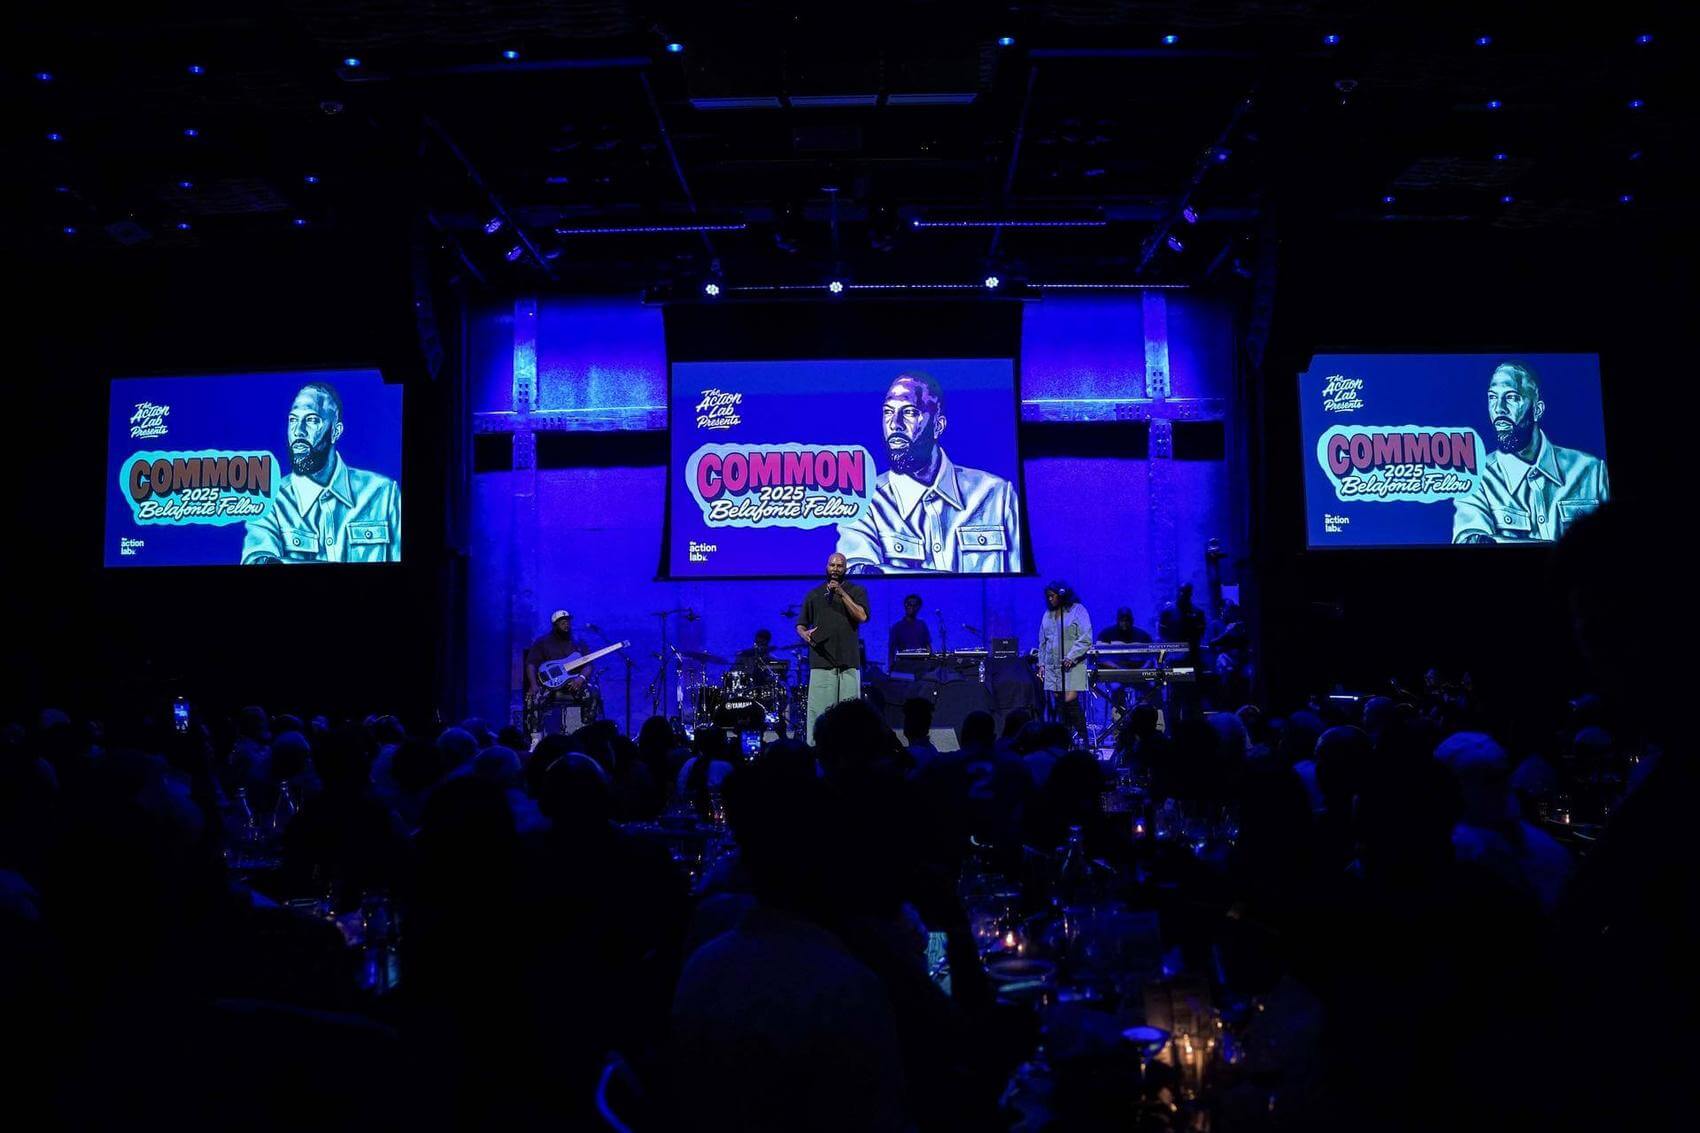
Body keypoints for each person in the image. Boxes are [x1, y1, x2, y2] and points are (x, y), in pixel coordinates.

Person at [836, 370, 1021, 574]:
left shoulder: (997, 495)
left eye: (909, 412)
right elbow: (858, 577)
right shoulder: (864, 503)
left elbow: (1018, 583)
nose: (894, 424)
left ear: (938, 426)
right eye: (888, 411)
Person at [241, 380, 402, 563]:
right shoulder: (270, 502)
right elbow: (256, 562)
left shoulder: (384, 494)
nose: (298, 431)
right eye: (293, 419)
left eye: (311, 420)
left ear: (335, 431)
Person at [1453, 360, 1609, 544]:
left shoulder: (1592, 471)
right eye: (1492, 397)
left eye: (1511, 397)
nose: (1499, 409)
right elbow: (1470, 543)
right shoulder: (1475, 478)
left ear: (1537, 410)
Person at [798, 552, 870, 744]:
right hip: (821, 661)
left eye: (839, 566)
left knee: (849, 716)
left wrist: (842, 594)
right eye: (832, 565)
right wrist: (804, 634)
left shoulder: (857, 591)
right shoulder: (814, 594)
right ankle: (817, 753)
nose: (835, 569)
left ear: (845, 569)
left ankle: (849, 753)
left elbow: (862, 617)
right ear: (826, 567)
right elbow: (801, 624)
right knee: (820, 713)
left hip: (848, 660)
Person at [523, 610, 599, 734]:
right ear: (555, 625)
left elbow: (588, 665)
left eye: (568, 622)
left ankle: (586, 731)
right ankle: (535, 738)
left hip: (573, 684)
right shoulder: (542, 642)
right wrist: (533, 684)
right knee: (533, 698)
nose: (566, 625)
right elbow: (531, 664)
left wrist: (581, 678)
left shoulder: (578, 642)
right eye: (563, 623)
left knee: (593, 693)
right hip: (548, 685)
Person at [1037, 582, 1092, 746]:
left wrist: (1072, 656)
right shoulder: (1048, 614)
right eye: (1048, 596)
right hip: (1053, 667)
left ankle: (1084, 740)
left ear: (1061, 595)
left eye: (1052, 596)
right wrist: (1041, 663)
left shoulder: (1078, 610)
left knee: (1070, 702)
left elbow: (1086, 637)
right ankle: (1065, 742)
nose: (1050, 599)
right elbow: (1043, 641)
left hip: (1072, 666)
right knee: (1060, 704)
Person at [888, 593, 933, 673]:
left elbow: (928, 646)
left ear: (919, 607)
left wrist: (931, 663)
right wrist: (891, 668)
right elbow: (892, 650)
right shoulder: (897, 627)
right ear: (905, 606)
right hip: (904, 666)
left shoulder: (922, 625)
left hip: (921, 665)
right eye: (908, 604)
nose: (911, 607)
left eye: (915, 605)